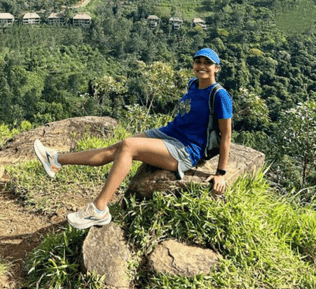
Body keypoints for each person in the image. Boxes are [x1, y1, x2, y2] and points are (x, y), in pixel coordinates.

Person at [33, 48, 233, 230]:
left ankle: (99, 210)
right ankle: (56, 159)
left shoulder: (219, 95)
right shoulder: (193, 85)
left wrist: (221, 173)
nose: (201, 66)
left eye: (207, 63)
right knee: (120, 146)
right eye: (198, 61)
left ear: (217, 68)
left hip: (186, 149)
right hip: (170, 133)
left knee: (128, 146)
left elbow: (226, 136)